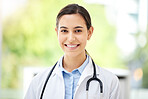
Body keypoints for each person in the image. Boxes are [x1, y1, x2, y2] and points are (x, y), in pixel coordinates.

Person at [24, 4, 121, 99]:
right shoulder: (39, 82)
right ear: (57, 33)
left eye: (78, 31)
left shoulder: (110, 82)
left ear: (89, 33)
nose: (71, 38)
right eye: (64, 31)